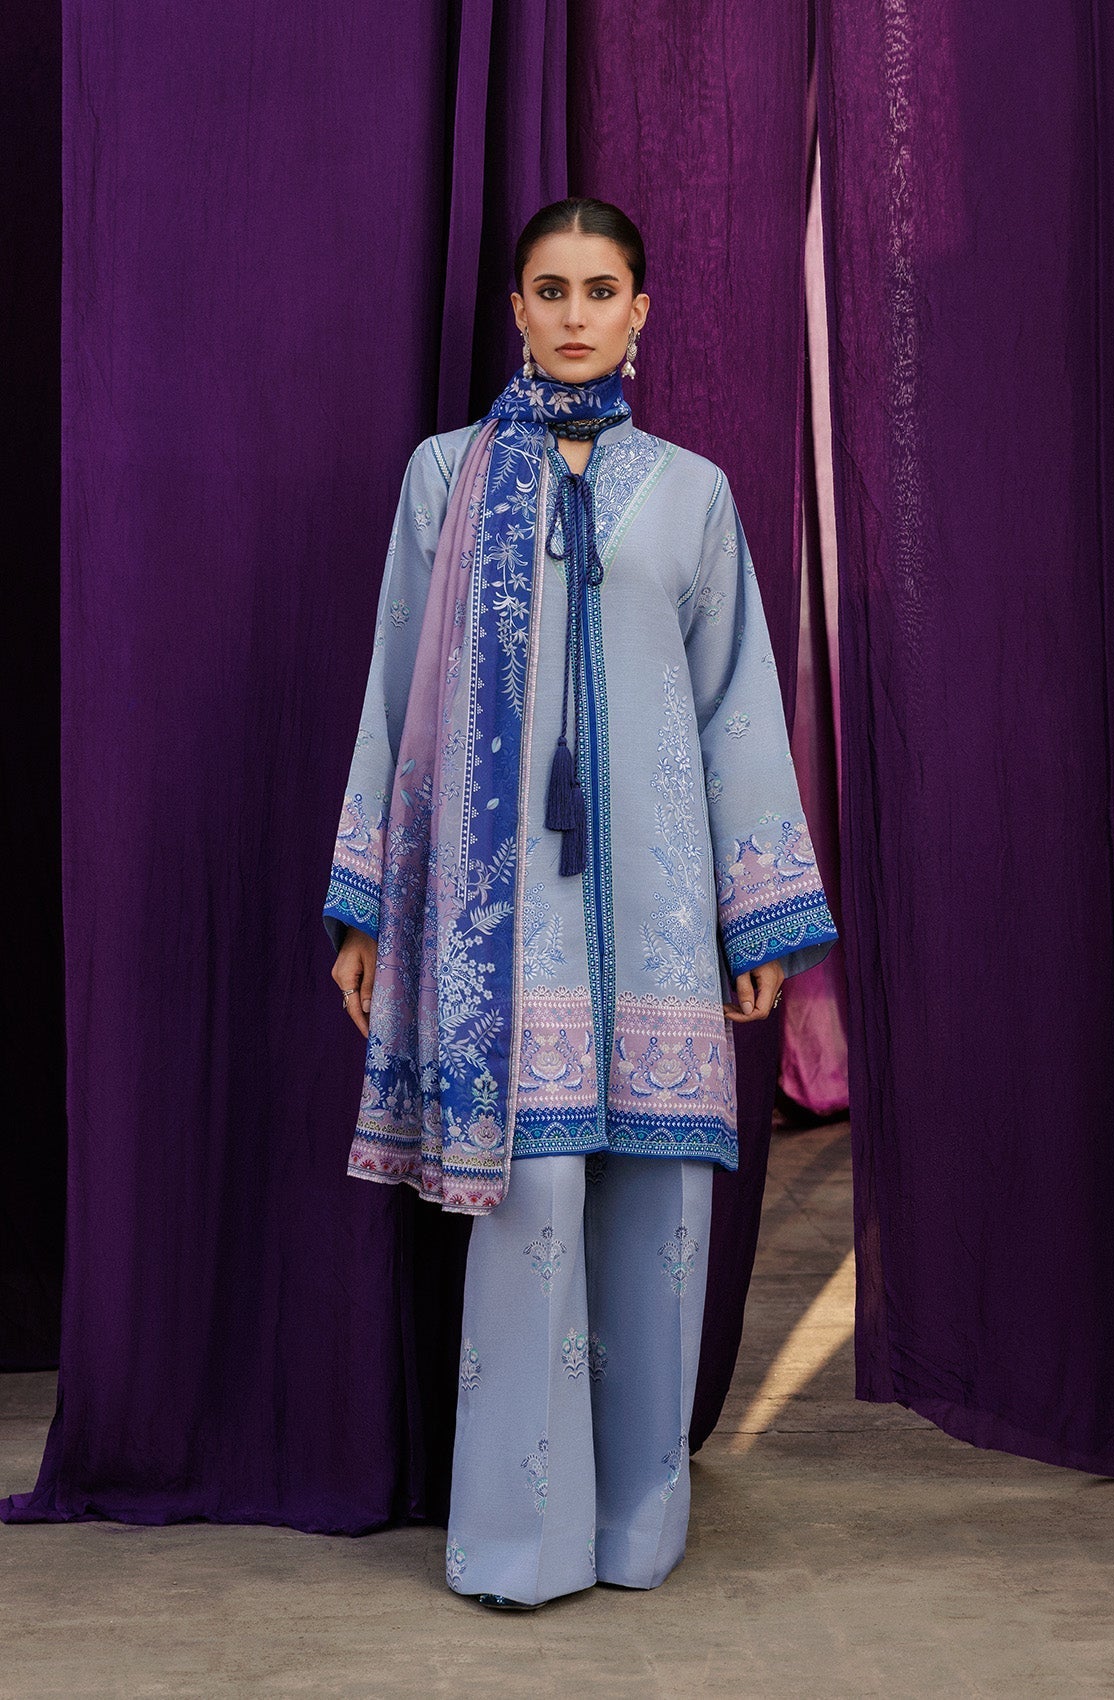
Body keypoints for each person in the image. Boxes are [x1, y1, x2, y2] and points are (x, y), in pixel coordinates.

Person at [322, 197, 837, 1609]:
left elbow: (740, 710)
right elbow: (394, 696)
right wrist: (367, 908)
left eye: (599, 290)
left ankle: (636, 1533)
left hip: (661, 919)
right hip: (506, 930)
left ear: (639, 310)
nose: (572, 315)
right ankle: (518, 1545)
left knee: (661, 1219)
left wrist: (758, 920)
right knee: (530, 1203)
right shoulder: (446, 480)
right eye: (548, 290)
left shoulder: (693, 494)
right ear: (516, 308)